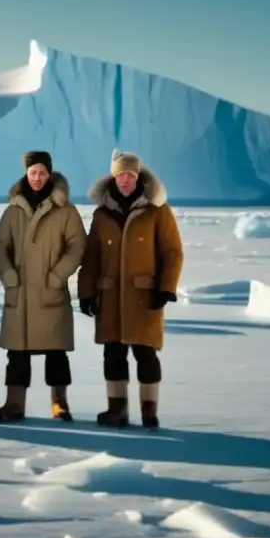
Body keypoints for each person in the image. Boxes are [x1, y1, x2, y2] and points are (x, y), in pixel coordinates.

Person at [77, 149, 184, 430]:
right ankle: (117, 411)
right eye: (121, 175)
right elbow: (91, 258)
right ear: (113, 177)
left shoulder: (157, 211)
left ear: (139, 177)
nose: (126, 180)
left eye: (131, 175)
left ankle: (150, 413)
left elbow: (173, 252)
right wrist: (86, 292)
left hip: (144, 297)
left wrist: (166, 288)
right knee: (113, 355)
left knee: (145, 354)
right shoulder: (101, 214)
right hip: (110, 297)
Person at [0, 151, 87, 423]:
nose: (37, 178)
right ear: (26, 174)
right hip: (20, 293)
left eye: (42, 173)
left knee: (56, 352)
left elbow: (78, 246)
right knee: (17, 353)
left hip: (50, 291)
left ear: (50, 174)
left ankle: (59, 403)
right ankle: (14, 403)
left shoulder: (66, 211)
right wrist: (9, 276)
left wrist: (58, 276)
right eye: (32, 173)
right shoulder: (13, 211)